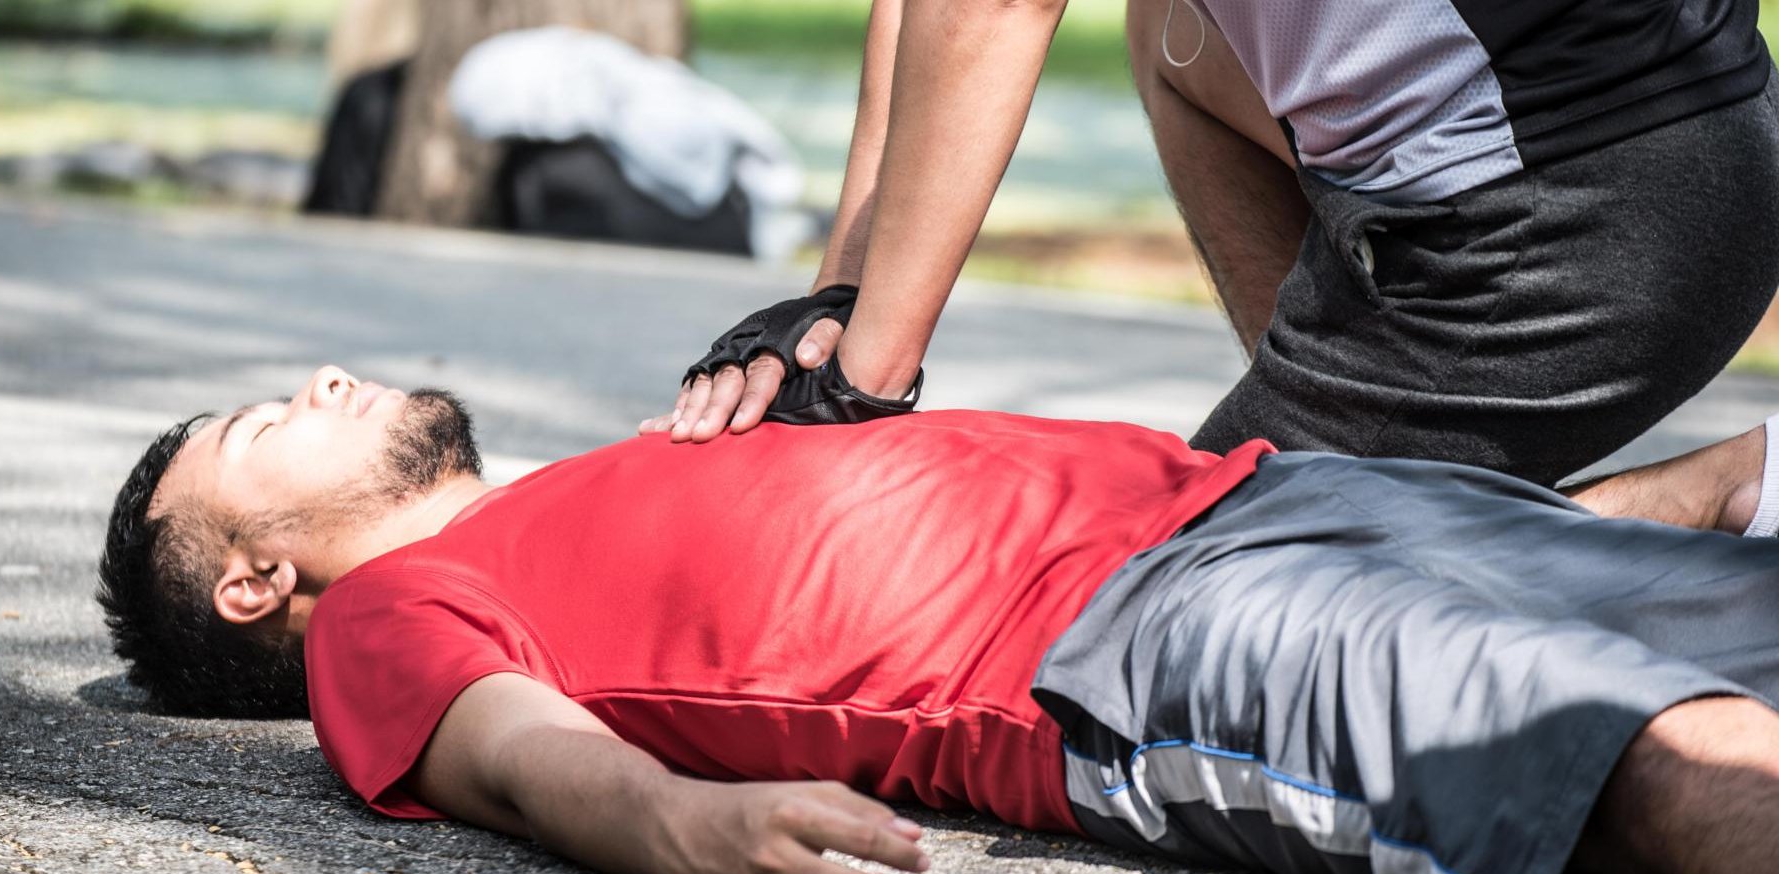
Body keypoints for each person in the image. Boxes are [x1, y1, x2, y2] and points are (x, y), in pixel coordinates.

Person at [100, 365, 1779, 874]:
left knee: (1733, 554)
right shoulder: (384, 613)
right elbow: (515, 752)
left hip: (1251, 496)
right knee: (1623, 751)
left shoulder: (580, 484)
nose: (319, 382)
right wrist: (685, 828)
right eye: (267, 421)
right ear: (257, 577)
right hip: (1135, 634)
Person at [641, 0, 1779, 535]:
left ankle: (1692, 497)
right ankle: (1327, 468)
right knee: (1171, 29)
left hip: (1581, 226)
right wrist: (836, 301)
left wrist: (864, 386)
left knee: (1153, 607)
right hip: (1679, 146)